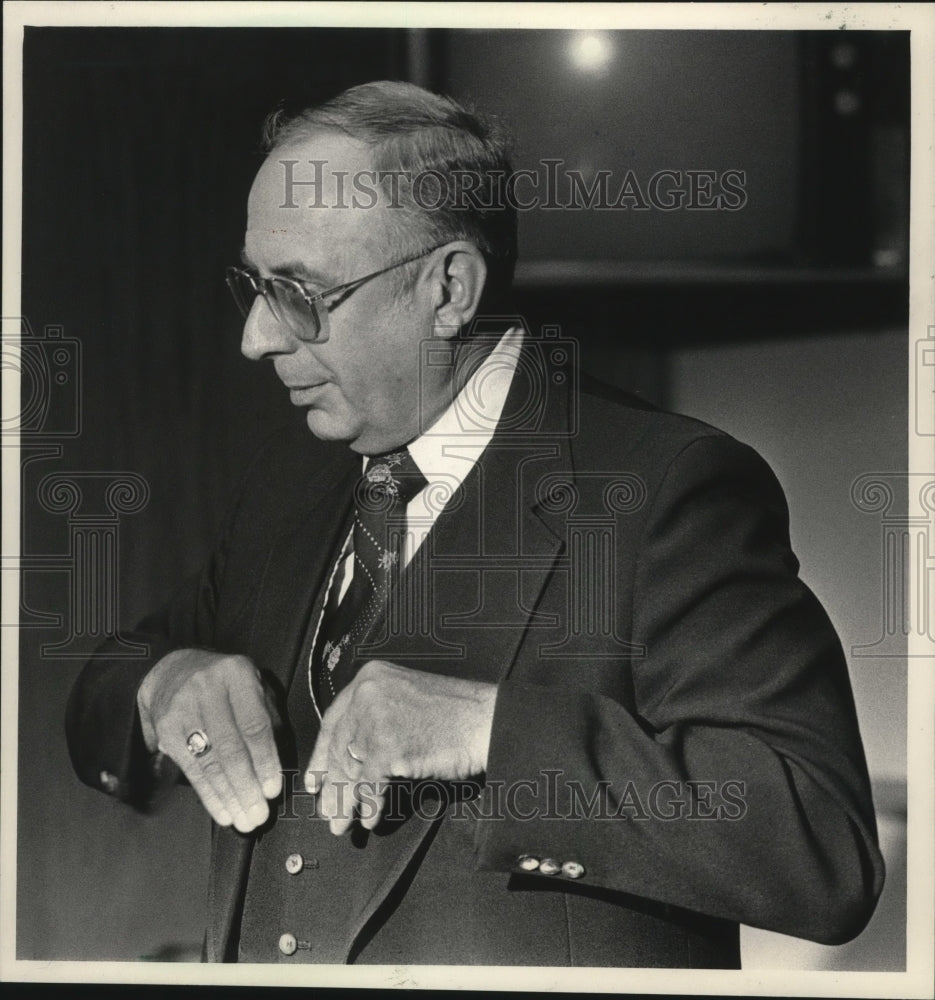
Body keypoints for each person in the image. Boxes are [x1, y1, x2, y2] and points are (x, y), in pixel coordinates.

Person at [66, 80, 884, 966]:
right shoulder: (288, 484)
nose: (257, 338)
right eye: (253, 287)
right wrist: (165, 686)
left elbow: (817, 843)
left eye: (299, 292)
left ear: (448, 288)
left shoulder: (662, 489)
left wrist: (485, 732)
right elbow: (107, 686)